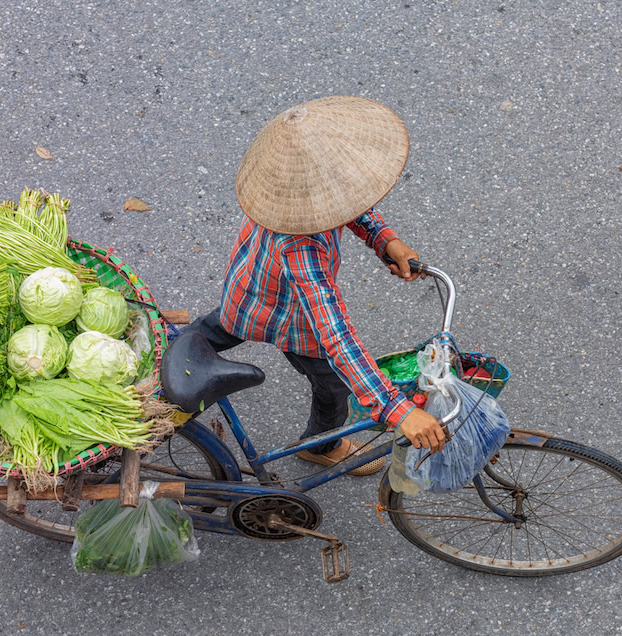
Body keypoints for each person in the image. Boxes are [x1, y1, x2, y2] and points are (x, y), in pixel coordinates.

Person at [186, 96, 447, 476]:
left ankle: (168, 356)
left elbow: (346, 200)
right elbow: (336, 334)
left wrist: (384, 239)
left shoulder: (287, 190)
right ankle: (322, 446)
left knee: (211, 332)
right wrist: (398, 409)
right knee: (333, 384)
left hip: (248, 291)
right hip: (293, 318)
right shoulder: (301, 246)